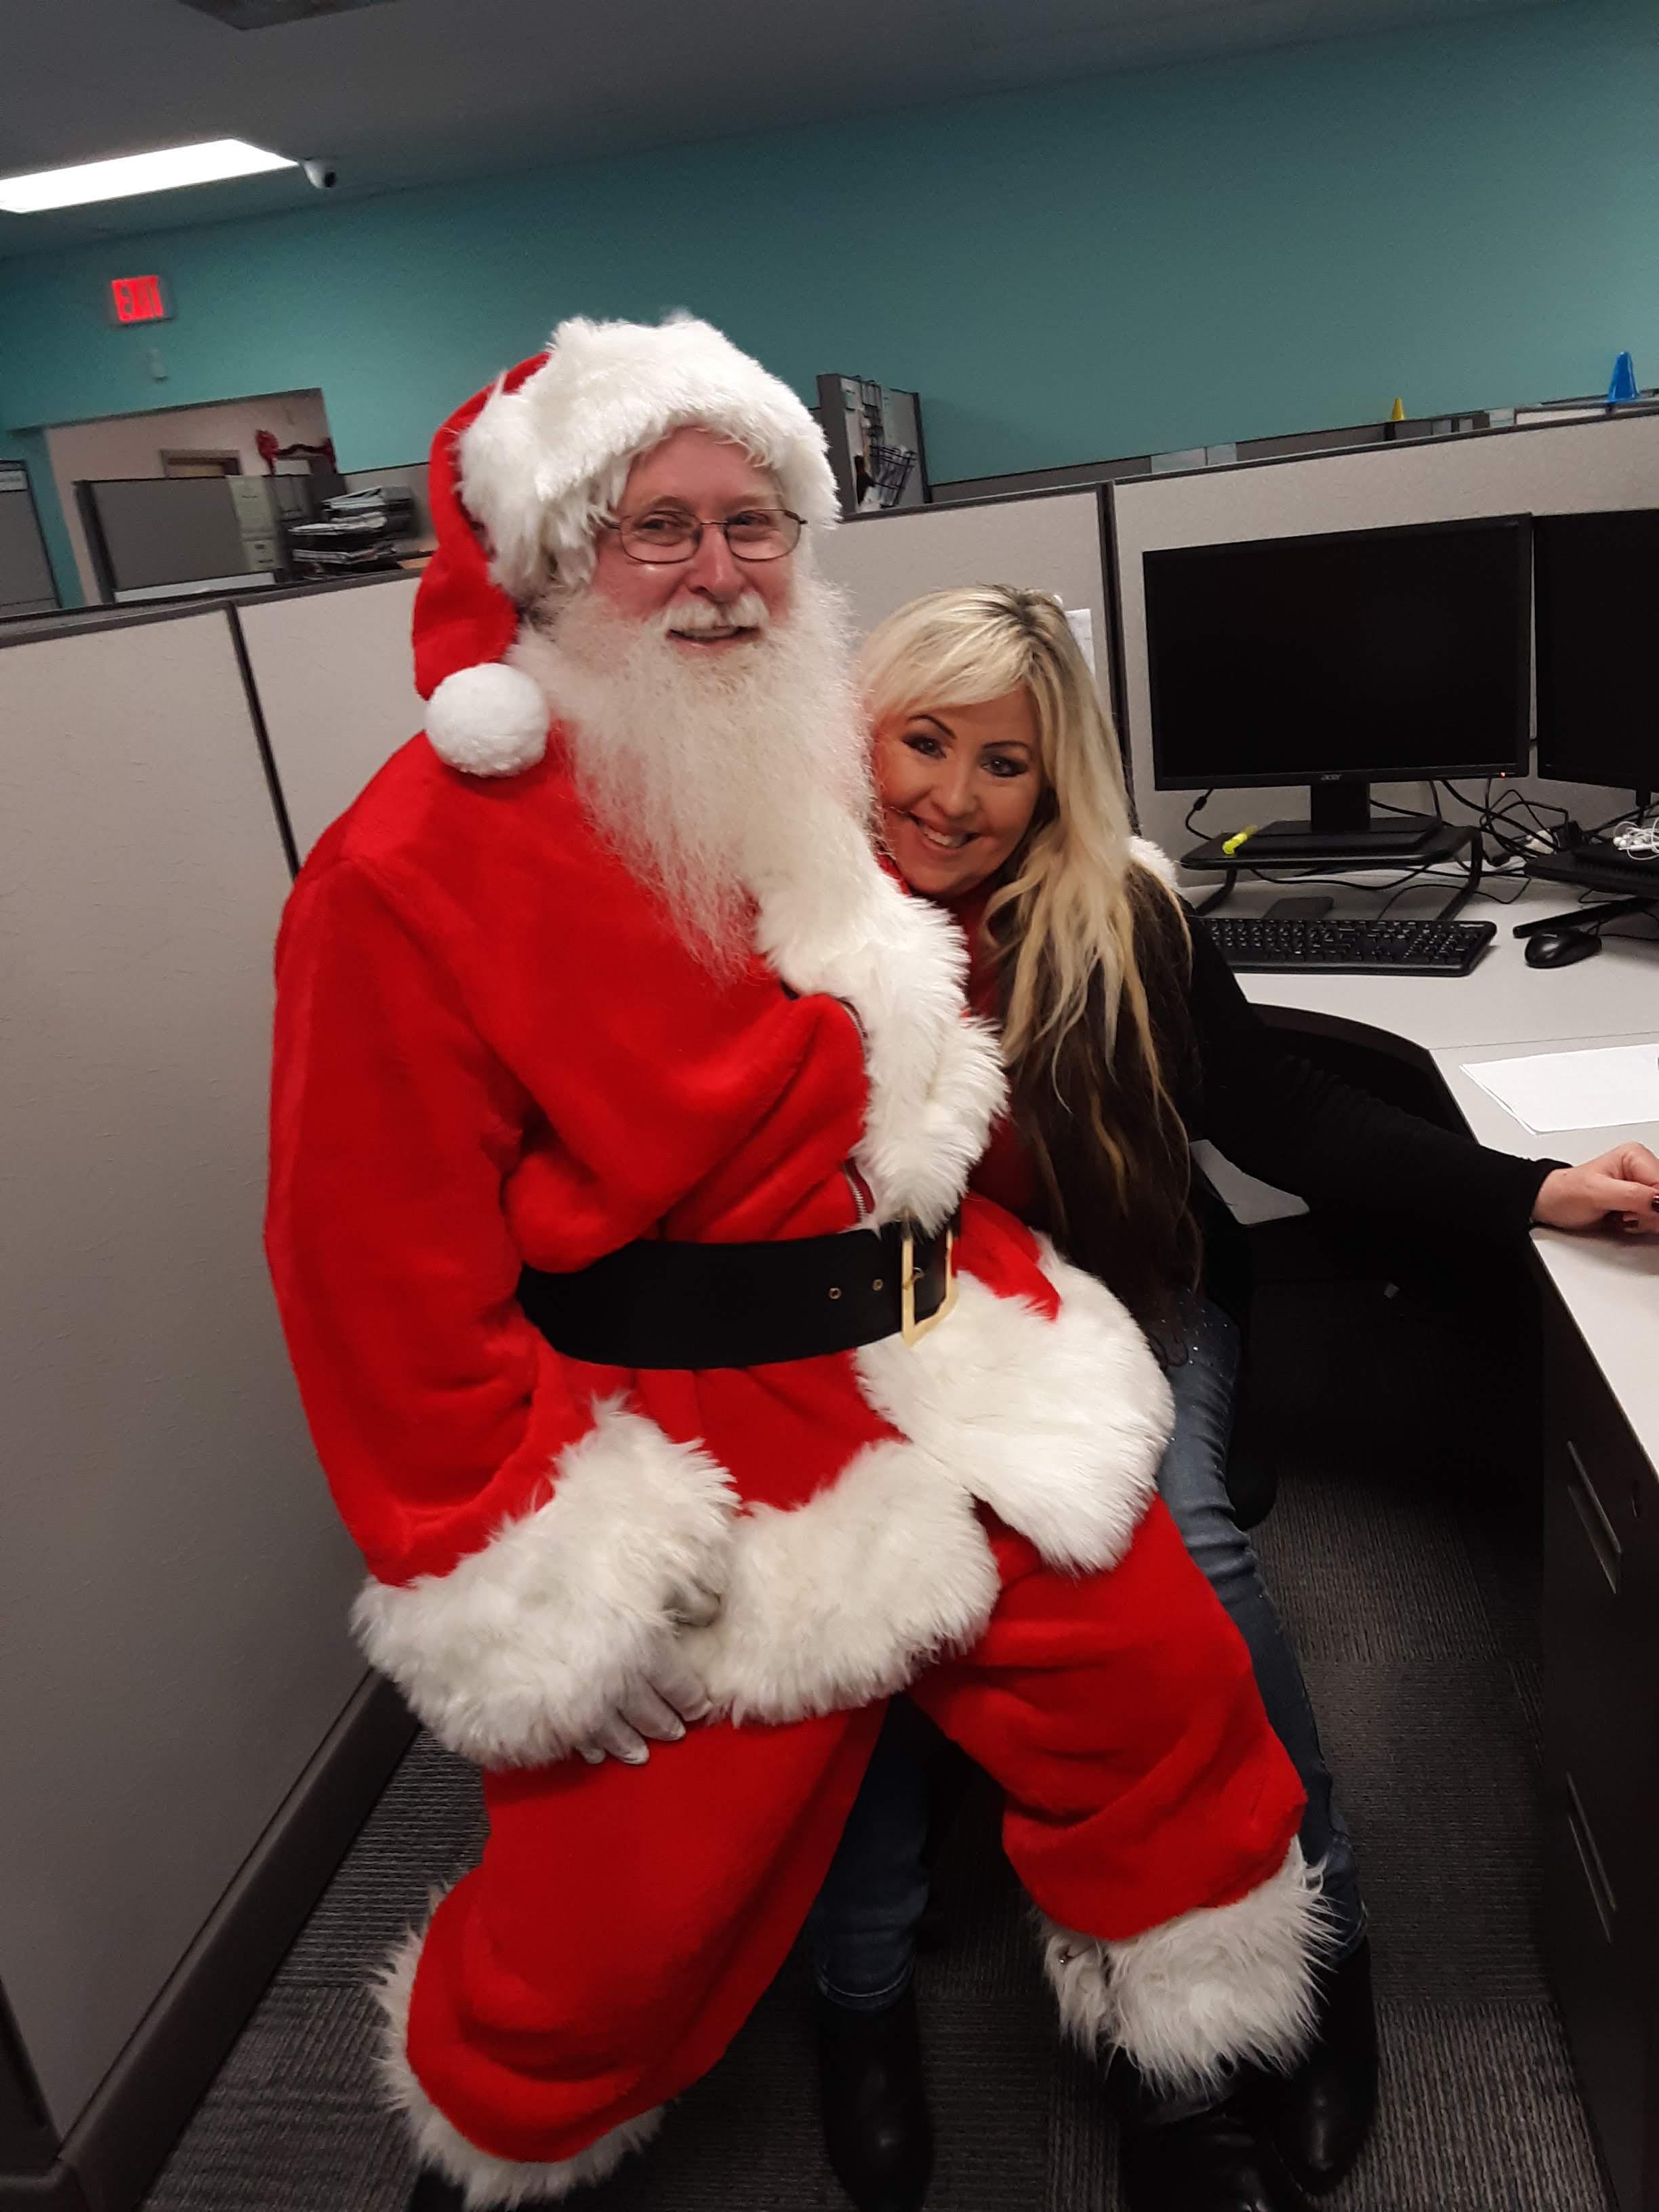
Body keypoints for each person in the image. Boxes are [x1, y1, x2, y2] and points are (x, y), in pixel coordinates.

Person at [264, 318, 1335, 2212]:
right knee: (618, 1907)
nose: (719, 571)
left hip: (943, 1339)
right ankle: (511, 2136)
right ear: (551, 555)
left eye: (753, 522)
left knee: (1168, 1698)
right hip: (680, 1430)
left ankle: (1195, 2074)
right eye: (658, 527)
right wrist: (523, 1558)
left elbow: (959, 978)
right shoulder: (404, 868)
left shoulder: (807, 768)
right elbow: (372, 1271)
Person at [808, 581, 1659, 2211]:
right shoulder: (791, 931)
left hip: (1127, 1302)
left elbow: (1279, 1115)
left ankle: (1321, 1931)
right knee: (853, 1600)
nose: (955, 798)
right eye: (924, 742)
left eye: (1007, 764)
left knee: (1185, 1555)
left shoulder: (1117, 914)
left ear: (1057, 783)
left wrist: (1534, 1191)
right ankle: (862, 1997)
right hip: (885, 1345)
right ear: (861, 736)